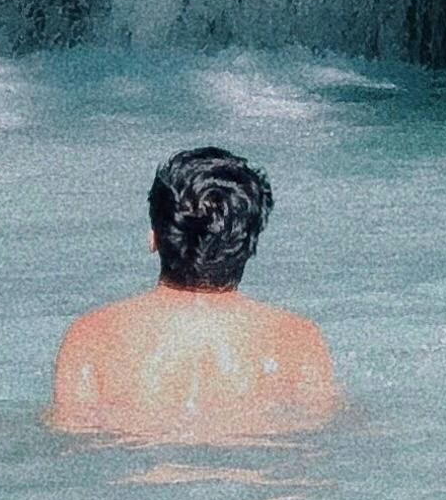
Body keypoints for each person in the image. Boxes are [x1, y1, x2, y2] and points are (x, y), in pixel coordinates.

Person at [49, 144, 339, 440]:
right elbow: (313, 443)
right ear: (249, 244)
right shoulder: (299, 340)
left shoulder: (90, 337)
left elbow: (73, 444)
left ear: (154, 238)